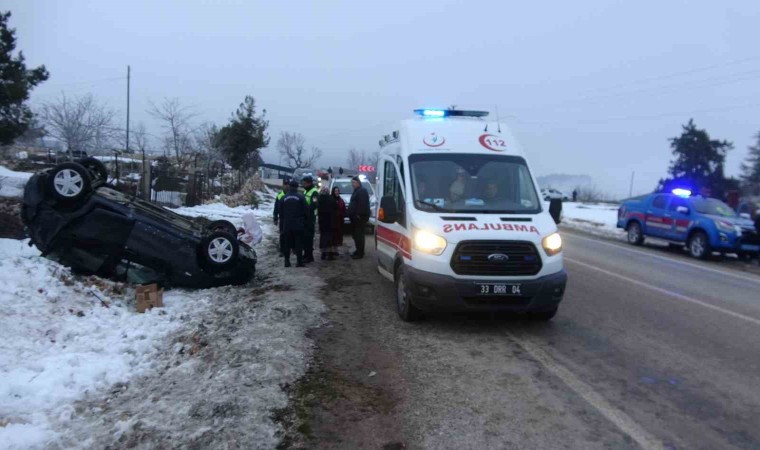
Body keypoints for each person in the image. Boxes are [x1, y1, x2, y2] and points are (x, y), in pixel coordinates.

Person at [280, 180, 308, 268]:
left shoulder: (283, 198)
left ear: (289, 187)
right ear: (297, 187)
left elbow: (280, 211)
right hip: (298, 224)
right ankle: (299, 262)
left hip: (287, 224)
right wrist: (304, 220)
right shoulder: (301, 197)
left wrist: (284, 219)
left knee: (287, 244)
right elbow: (306, 210)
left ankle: (287, 262)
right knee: (298, 244)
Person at [347, 176, 370, 259]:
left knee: (359, 235)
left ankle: (360, 253)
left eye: (353, 183)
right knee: (355, 235)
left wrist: (358, 215)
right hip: (355, 218)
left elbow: (362, 205)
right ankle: (358, 250)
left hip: (359, 218)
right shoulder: (356, 191)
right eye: (351, 183)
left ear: (358, 183)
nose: (352, 184)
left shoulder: (362, 191)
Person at [302, 176, 319, 263]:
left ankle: (309, 256)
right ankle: (306, 254)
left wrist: (305, 210)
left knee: (309, 238)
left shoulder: (314, 192)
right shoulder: (306, 191)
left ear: (309, 183)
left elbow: (314, 205)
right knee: (305, 238)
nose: (303, 185)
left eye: (304, 183)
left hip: (310, 218)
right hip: (305, 218)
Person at [318, 188, 338, 260]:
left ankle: (323, 254)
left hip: (322, 221)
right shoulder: (331, 199)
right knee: (330, 238)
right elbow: (336, 207)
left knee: (323, 237)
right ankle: (330, 254)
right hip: (330, 221)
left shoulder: (319, 199)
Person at [272, 178, 289, 257]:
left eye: (287, 185)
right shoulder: (279, 195)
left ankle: (293, 249)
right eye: (285, 185)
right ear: (283, 186)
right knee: (282, 234)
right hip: (282, 218)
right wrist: (275, 217)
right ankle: (282, 250)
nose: (286, 186)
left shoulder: (291, 194)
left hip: (291, 218)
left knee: (291, 234)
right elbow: (276, 207)